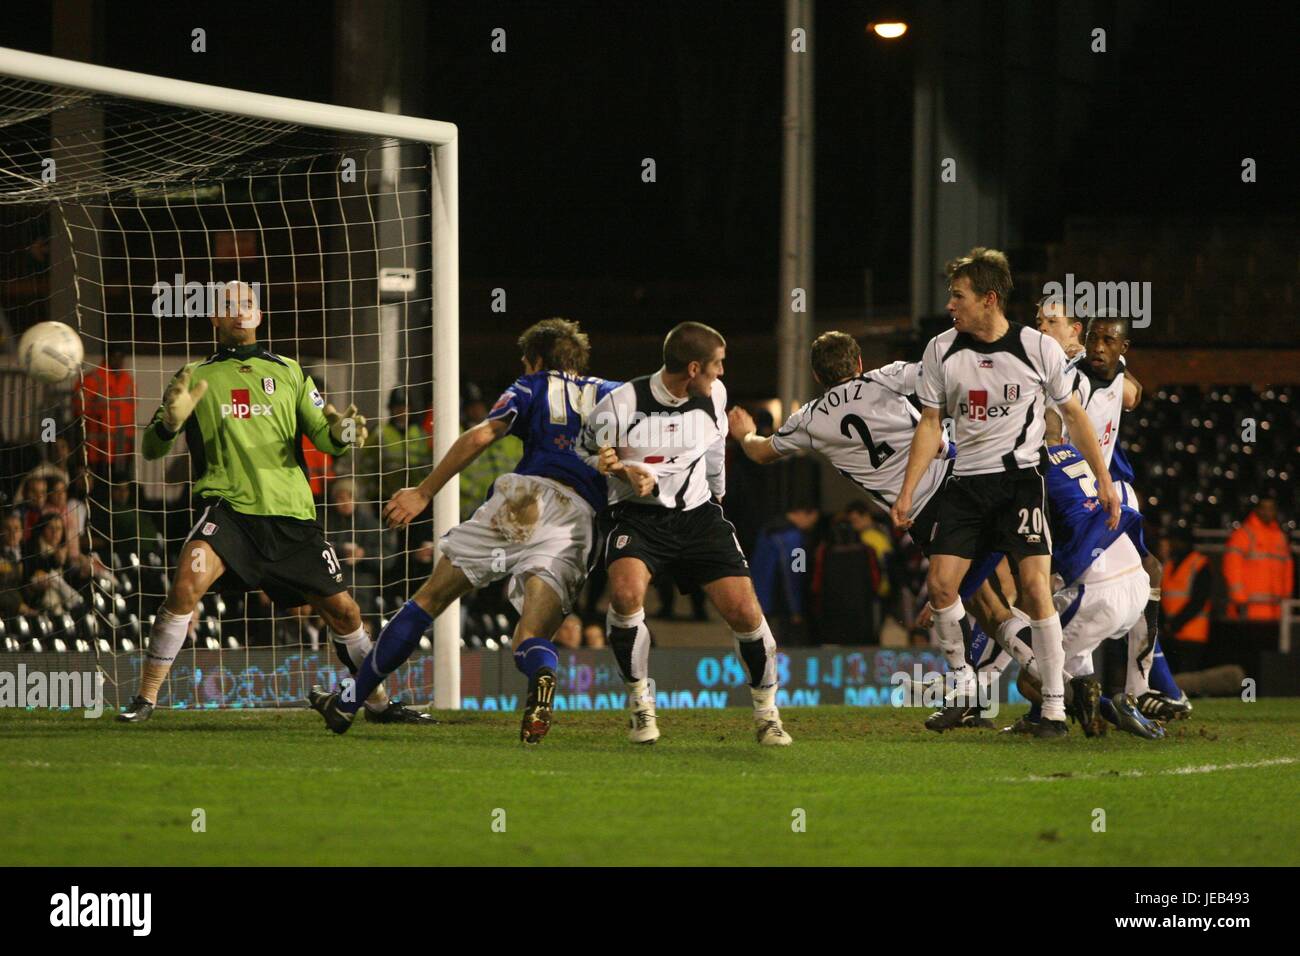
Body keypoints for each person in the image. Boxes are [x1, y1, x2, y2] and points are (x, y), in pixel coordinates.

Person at [117, 280, 426, 726]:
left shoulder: (291, 372)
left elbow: (327, 438)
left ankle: (377, 704)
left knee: (345, 611)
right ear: (215, 318)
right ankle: (145, 699)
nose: (239, 310)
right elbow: (149, 450)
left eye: (247, 303)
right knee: (186, 584)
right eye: (228, 305)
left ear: (259, 316)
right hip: (228, 513)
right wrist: (168, 422)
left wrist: (341, 434)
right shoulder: (194, 376)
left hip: (291, 517)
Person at [309, 318, 618, 746]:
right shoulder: (617, 394)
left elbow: (483, 435)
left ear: (536, 360)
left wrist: (425, 491)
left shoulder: (532, 386)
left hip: (525, 499)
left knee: (428, 600)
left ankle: (349, 701)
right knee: (531, 636)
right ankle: (544, 675)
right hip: (577, 521)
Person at [892, 247, 1119, 738]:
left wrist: (1102, 478)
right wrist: (907, 492)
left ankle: (1054, 710)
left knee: (1036, 589)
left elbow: (1075, 416)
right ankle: (964, 688)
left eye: (959, 296)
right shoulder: (940, 350)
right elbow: (931, 423)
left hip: (1020, 482)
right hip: (965, 484)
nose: (950, 305)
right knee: (941, 586)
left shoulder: (1038, 348)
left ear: (989, 299)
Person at [579, 321, 792, 746]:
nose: (721, 375)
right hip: (636, 518)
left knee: (746, 612)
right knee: (624, 595)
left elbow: (715, 449)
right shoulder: (620, 404)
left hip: (697, 516)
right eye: (717, 367)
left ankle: (767, 715)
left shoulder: (714, 396)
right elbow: (586, 452)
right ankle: (641, 705)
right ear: (693, 368)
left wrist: (717, 497)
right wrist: (611, 468)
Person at [1042, 312, 1189, 720]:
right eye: (1095, 340)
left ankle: (1132, 690)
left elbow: (1132, 395)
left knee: (1146, 573)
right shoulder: (1067, 378)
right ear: (1084, 338)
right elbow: (1052, 434)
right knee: (1053, 591)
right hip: (1071, 494)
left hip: (1104, 491)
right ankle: (1076, 693)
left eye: (1048, 322)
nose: (1099, 348)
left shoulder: (1113, 367)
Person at [750, 504, 819, 646]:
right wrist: (796, 609)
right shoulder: (794, 538)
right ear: (803, 514)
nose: (811, 526)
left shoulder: (768, 531)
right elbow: (796, 573)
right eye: (812, 520)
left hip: (761, 598)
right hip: (782, 603)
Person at [1223, 495, 1293, 623]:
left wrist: (1286, 599)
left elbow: (1287, 571)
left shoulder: (1280, 537)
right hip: (1249, 608)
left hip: (1275, 610)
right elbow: (1232, 569)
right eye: (1264, 508)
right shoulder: (1243, 534)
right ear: (1256, 510)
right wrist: (1239, 600)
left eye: (1271, 508)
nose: (1267, 512)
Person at [73, 347, 137, 478]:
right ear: (108, 357)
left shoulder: (128, 381)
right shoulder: (91, 379)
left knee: (119, 483)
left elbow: (131, 411)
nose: (119, 361)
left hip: (121, 447)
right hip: (96, 449)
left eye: (121, 357)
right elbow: (79, 409)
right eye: (116, 356)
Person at [1160, 529, 1214, 674]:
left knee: (1187, 678)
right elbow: (1162, 598)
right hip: (1171, 634)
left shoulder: (1199, 563)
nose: (1171, 544)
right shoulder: (1169, 565)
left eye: (1174, 540)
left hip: (1192, 634)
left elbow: (1198, 600)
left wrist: (1174, 624)